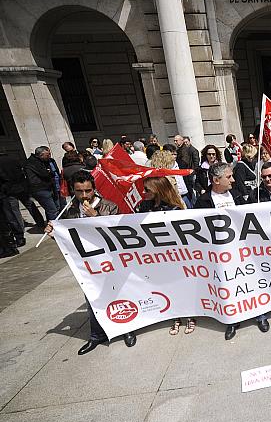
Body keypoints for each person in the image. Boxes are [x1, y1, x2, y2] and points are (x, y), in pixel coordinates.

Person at [44, 171, 136, 355]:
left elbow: (117, 235)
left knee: (118, 294)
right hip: (87, 264)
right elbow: (68, 239)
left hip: (110, 261)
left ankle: (127, 329)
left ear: (94, 189)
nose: (84, 195)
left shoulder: (109, 207)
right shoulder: (69, 211)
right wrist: (54, 234)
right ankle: (97, 335)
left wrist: (96, 218)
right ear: (73, 191)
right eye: (80, 191)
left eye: (88, 190)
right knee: (92, 297)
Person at [194, 162, 264, 338]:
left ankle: (259, 314)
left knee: (251, 281)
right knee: (227, 286)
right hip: (220, 255)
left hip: (243, 250)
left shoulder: (236, 194)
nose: (233, 180)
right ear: (216, 180)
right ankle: (232, 320)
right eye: (228, 177)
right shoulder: (203, 201)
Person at [138, 177, 197, 334]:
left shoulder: (174, 209)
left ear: (158, 190)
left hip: (175, 256)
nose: (143, 193)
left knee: (181, 285)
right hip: (154, 256)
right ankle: (175, 317)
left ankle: (190, 316)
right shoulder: (143, 207)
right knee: (167, 287)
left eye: (147, 190)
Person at [0, 151, 44, 243]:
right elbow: (21, 172)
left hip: (9, 189)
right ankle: (40, 222)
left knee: (14, 211)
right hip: (21, 187)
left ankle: (20, 232)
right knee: (30, 205)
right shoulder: (13, 159)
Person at [24, 146, 62, 220]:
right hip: (41, 189)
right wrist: (49, 172)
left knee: (53, 208)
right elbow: (44, 174)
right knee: (52, 210)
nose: (49, 156)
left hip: (47, 187)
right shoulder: (33, 162)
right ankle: (55, 226)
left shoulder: (43, 161)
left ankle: (51, 224)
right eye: (47, 155)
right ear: (41, 155)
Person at [174, 135, 200, 203]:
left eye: (176, 140)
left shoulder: (186, 150)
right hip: (184, 174)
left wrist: (193, 171)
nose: (175, 142)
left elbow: (187, 162)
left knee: (191, 191)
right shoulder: (180, 149)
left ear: (181, 140)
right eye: (174, 141)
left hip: (187, 174)